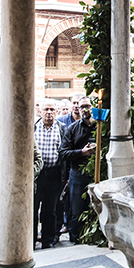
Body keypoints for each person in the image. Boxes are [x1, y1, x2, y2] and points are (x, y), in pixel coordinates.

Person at [58, 98, 96, 244]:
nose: (85, 110)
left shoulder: (100, 126)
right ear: (78, 110)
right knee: (77, 210)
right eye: (82, 107)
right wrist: (82, 152)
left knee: (95, 207)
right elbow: (63, 153)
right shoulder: (72, 129)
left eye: (88, 106)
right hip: (78, 173)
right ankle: (76, 241)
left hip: (96, 172)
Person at [33, 99, 67, 249]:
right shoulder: (32, 127)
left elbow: (64, 152)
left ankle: (48, 240)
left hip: (54, 173)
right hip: (36, 174)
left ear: (57, 112)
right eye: (46, 109)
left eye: (52, 110)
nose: (49, 112)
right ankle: (31, 240)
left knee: (50, 209)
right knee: (33, 207)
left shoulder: (62, 128)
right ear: (40, 111)